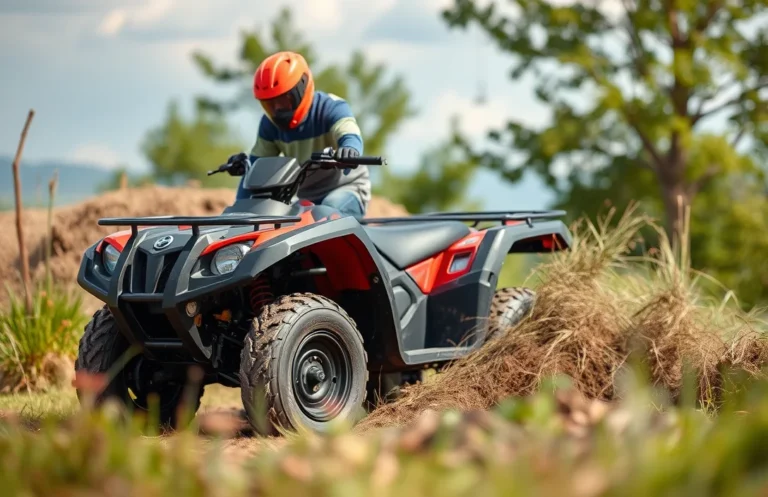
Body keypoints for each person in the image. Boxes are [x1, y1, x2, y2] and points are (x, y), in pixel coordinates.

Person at [226, 50, 370, 219]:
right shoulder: (269, 125)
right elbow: (255, 168)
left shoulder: (331, 108)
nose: (277, 109)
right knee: (278, 219)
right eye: (270, 104)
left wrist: (350, 149)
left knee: (327, 214)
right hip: (304, 198)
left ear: (302, 87)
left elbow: (349, 132)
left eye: (283, 100)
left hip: (346, 189)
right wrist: (240, 212)